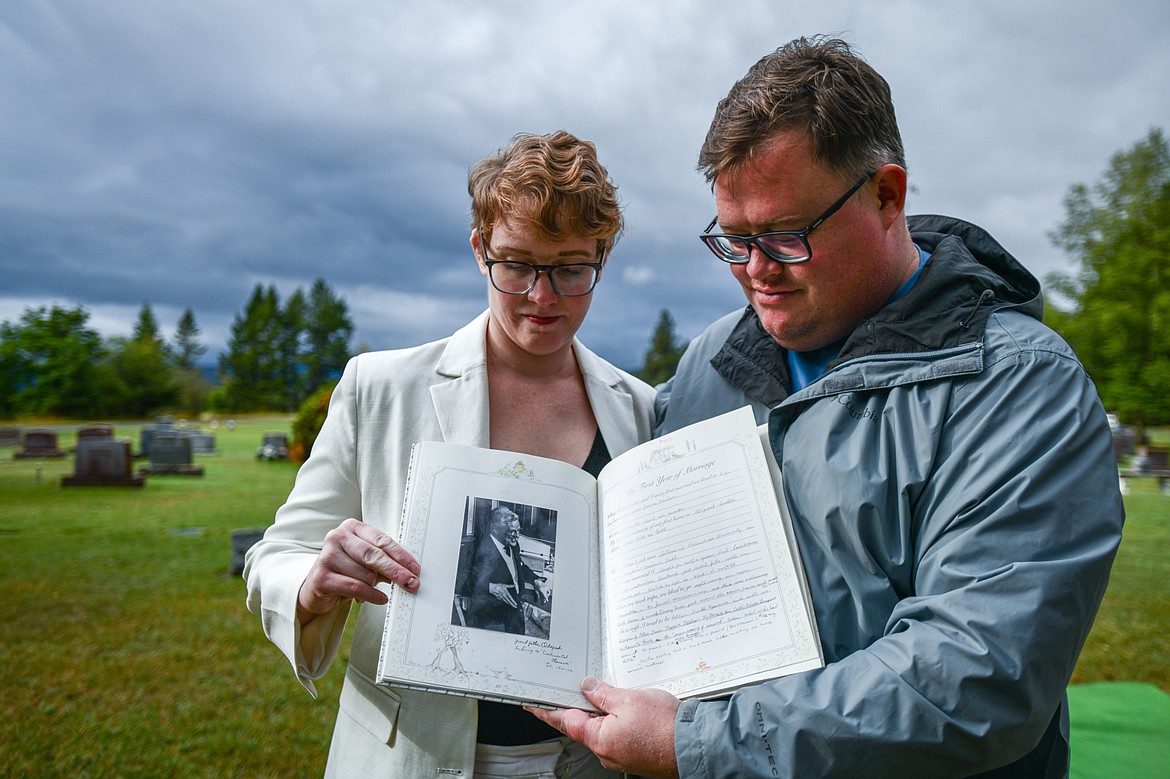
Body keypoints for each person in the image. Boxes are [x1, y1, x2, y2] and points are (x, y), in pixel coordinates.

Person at [530, 37, 1125, 778]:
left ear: (887, 195)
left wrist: (696, 742)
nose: (756, 271)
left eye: (785, 235)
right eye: (734, 239)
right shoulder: (711, 360)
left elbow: (980, 676)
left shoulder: (1017, 385)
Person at [244, 130, 656, 778]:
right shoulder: (379, 388)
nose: (542, 297)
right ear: (479, 249)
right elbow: (275, 556)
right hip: (411, 758)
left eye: (571, 268)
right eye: (516, 263)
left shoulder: (641, 408)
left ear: (602, 257)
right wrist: (313, 583)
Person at [455, 506, 551, 635]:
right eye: (511, 531)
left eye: (518, 531)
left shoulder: (513, 544)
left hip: (515, 615)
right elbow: (460, 580)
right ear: (495, 529)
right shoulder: (476, 549)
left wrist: (536, 580)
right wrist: (490, 587)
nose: (516, 536)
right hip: (491, 623)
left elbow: (521, 566)